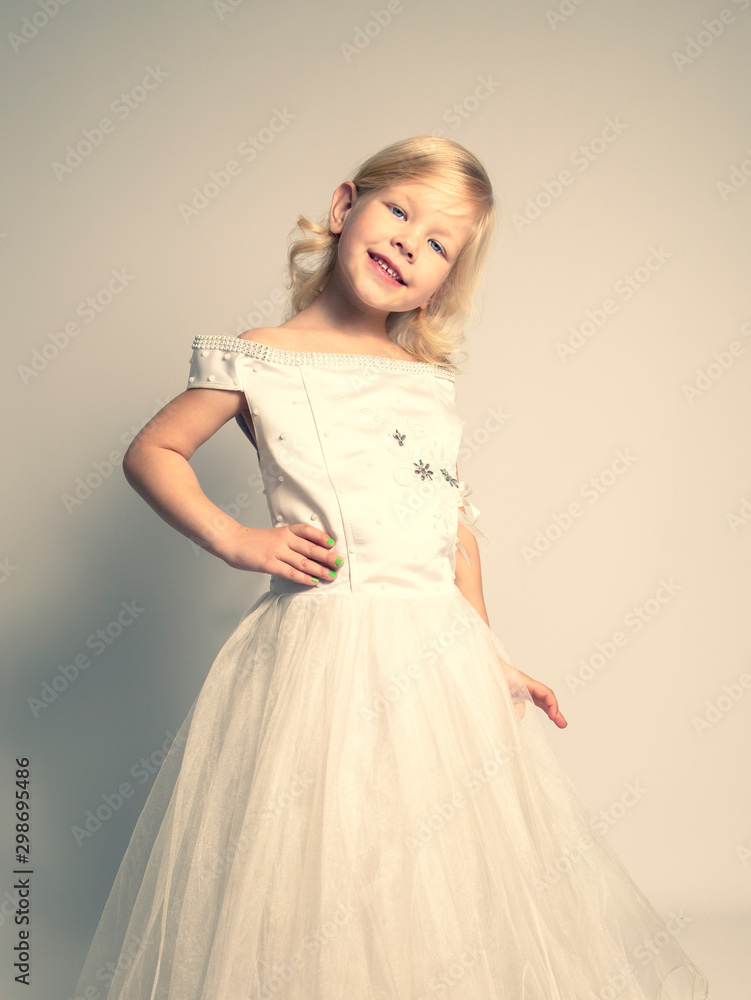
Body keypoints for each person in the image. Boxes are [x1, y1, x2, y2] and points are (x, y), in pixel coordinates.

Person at [72, 135, 708, 999]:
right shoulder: (263, 356)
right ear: (343, 209)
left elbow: (451, 526)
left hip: (434, 654)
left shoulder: (424, 381)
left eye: (438, 243)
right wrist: (235, 539)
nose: (410, 242)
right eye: (398, 211)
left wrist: (490, 658)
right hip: (319, 650)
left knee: (432, 857)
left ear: (444, 280)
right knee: (318, 851)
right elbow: (153, 450)